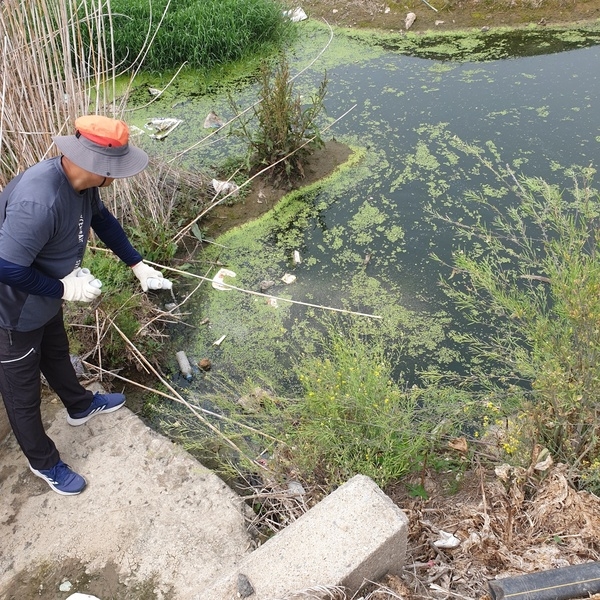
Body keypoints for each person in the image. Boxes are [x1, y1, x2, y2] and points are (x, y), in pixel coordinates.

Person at [0, 115, 170, 496]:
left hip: (44, 298)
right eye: (115, 170)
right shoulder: (38, 200)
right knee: (22, 393)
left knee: (57, 354)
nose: (117, 178)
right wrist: (61, 287)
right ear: (95, 165)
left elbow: (103, 221)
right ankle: (43, 462)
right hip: (10, 313)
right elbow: (4, 266)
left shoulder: (82, 184)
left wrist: (138, 265)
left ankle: (80, 406)